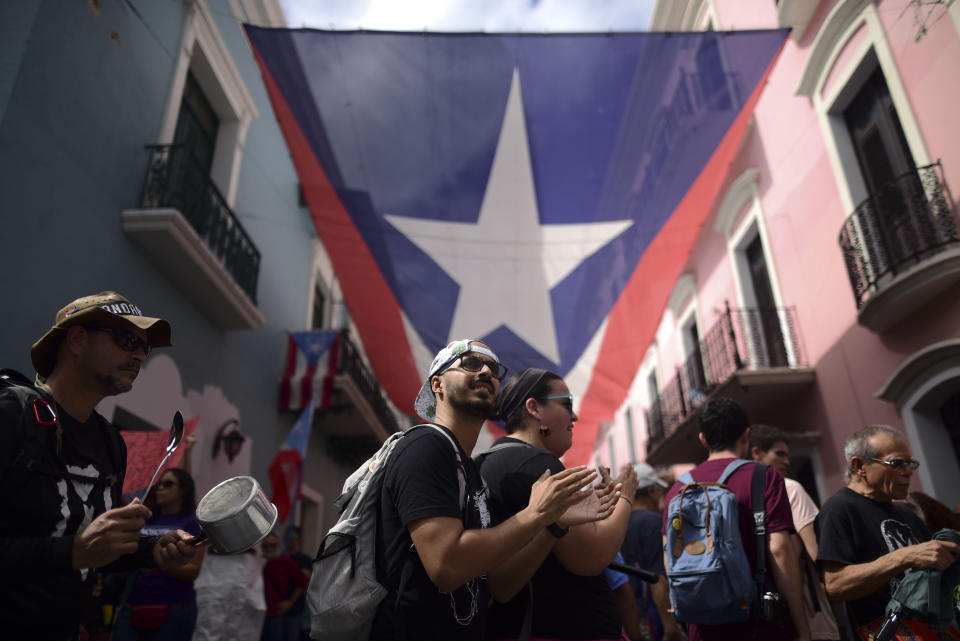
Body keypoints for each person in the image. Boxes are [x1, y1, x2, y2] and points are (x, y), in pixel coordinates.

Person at [371, 339, 602, 641]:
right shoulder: (425, 446)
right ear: (437, 385)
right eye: (469, 363)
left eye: (493, 369)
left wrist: (552, 524)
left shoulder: (469, 469)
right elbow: (446, 564)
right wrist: (535, 514)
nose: (485, 372)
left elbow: (500, 587)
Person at [0, 291, 198, 641]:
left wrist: (153, 551)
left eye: (145, 348)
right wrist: (73, 551)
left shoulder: (110, 444)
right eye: (127, 340)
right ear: (77, 339)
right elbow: (78, 547)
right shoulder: (12, 415)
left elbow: (95, 549)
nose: (139, 354)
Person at [477, 367, 639, 641]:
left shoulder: (485, 464)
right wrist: (626, 496)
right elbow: (591, 558)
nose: (574, 416)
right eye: (566, 404)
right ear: (534, 408)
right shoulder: (541, 465)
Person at [662, 397, 810, 641]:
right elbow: (780, 550)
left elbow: (669, 556)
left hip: (702, 628)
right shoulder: (763, 476)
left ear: (703, 439)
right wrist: (802, 626)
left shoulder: (677, 489)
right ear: (746, 435)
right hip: (760, 625)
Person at [816, 425, 960, 640]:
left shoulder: (906, 513)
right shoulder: (839, 509)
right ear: (859, 466)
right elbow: (835, 585)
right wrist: (904, 557)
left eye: (910, 463)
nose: (908, 471)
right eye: (896, 463)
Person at [749, 424, 840, 641]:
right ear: (756, 452)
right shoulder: (788, 487)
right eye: (779, 454)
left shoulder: (737, 492)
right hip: (805, 606)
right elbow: (817, 553)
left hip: (759, 610)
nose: (787, 461)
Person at [110, 468, 205, 640]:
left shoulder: (192, 521)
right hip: (133, 604)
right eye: (159, 484)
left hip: (174, 607)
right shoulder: (146, 517)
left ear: (183, 489)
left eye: (168, 484)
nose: (160, 488)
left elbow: (193, 570)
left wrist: (153, 561)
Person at [622, 463, 686, 641]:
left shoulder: (617, 524)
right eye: (658, 489)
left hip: (631, 620)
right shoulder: (653, 522)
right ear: (651, 490)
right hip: (656, 620)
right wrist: (670, 627)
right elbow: (658, 579)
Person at [260, 532, 309, 641]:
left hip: (278, 617)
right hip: (260, 616)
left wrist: (290, 602)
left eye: (273, 545)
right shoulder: (259, 563)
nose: (269, 548)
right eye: (265, 545)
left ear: (278, 546)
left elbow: (303, 581)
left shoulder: (286, 562)